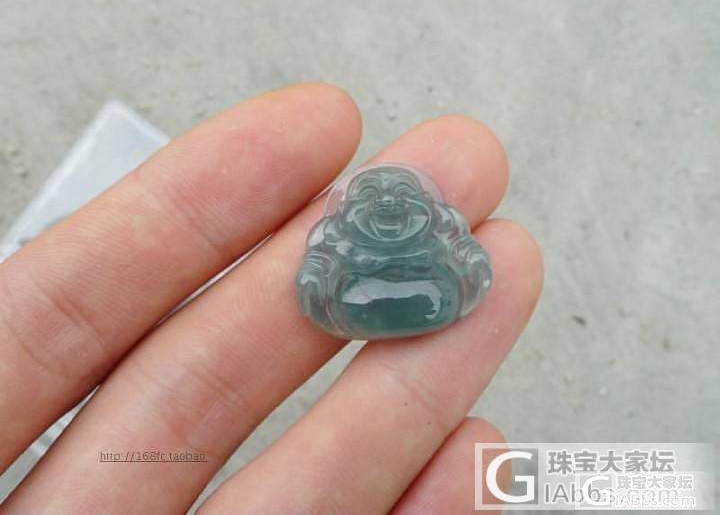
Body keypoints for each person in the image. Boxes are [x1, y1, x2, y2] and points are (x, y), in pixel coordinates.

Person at [0, 83, 542, 514]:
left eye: (403, 198)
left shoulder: (438, 234)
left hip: (429, 287)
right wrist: (320, 283)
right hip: (361, 295)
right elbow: (318, 271)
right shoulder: (339, 241)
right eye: (375, 199)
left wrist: (465, 265)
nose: (389, 208)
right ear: (351, 212)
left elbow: (466, 259)